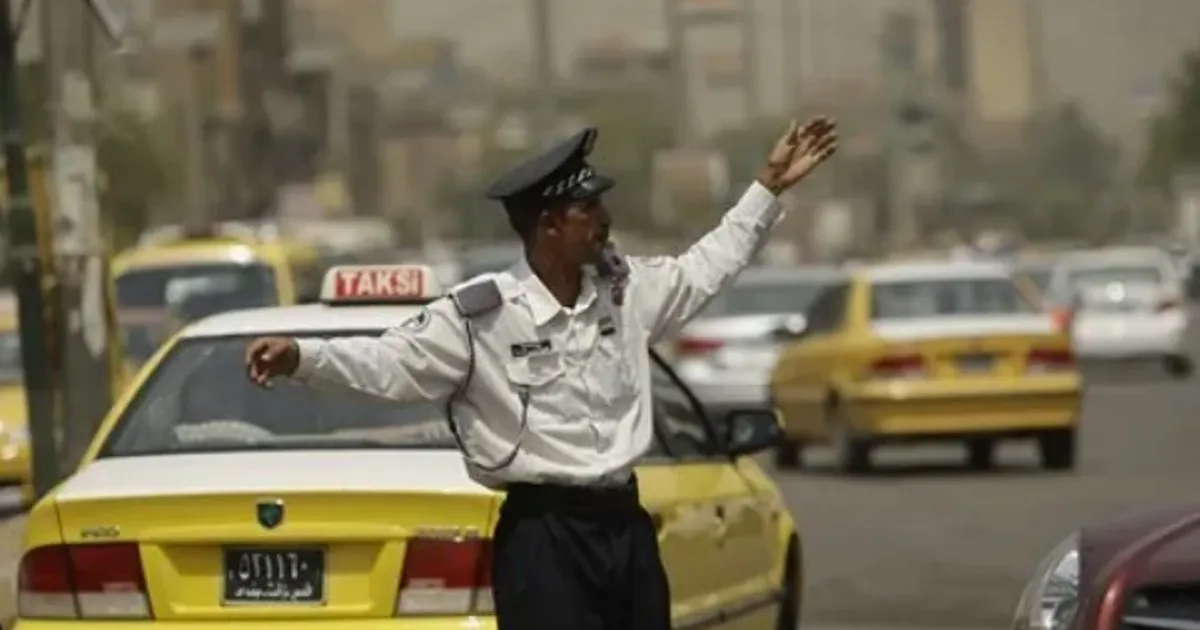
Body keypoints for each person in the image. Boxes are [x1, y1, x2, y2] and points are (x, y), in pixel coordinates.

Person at [245, 117, 838, 630]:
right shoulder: (482, 316)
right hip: (544, 540)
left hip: (624, 531)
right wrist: (302, 356)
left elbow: (707, 267)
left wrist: (767, 187)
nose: (604, 220)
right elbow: (388, 365)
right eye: (588, 209)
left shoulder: (626, 293)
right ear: (550, 225)